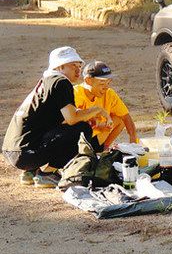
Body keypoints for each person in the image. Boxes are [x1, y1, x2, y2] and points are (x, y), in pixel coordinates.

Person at [2, 47, 108, 188]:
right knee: (82, 130)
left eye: (79, 66)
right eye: (72, 66)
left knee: (77, 126)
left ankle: (31, 172)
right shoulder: (61, 82)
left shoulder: (48, 81)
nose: (78, 71)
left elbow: (61, 119)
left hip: (14, 151)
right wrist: (97, 110)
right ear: (60, 66)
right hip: (26, 154)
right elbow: (72, 118)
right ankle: (46, 174)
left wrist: (86, 116)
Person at [74, 61, 137, 150]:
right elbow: (72, 120)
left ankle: (104, 148)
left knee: (120, 118)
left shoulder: (109, 93)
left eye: (108, 83)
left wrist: (133, 140)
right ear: (88, 81)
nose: (106, 87)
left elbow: (126, 116)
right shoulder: (76, 93)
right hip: (79, 141)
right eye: (102, 83)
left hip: (97, 138)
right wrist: (98, 124)